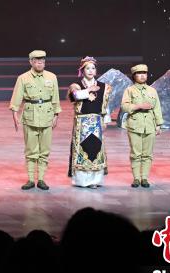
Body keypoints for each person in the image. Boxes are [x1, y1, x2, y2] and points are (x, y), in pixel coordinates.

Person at [9, 50, 60, 190]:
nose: (40, 63)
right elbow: (17, 97)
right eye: (37, 61)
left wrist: (56, 115)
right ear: (31, 62)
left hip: (47, 115)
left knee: (45, 150)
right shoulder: (23, 78)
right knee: (31, 150)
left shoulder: (52, 77)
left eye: (42, 61)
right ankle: (31, 179)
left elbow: (55, 97)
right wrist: (14, 114)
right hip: (30, 115)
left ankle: (41, 179)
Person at [67, 57, 111, 188]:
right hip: (82, 122)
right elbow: (75, 96)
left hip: (97, 122)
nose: (91, 71)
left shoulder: (103, 86)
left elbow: (106, 105)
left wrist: (106, 119)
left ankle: (95, 180)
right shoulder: (76, 85)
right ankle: (82, 181)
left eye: (93, 68)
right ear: (82, 70)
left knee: (95, 149)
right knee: (84, 149)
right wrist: (88, 90)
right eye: (87, 68)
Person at [120, 64, 163, 188]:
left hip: (150, 125)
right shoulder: (129, 90)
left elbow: (157, 108)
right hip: (135, 125)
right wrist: (138, 106)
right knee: (136, 153)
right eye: (139, 73)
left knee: (148, 154)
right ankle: (136, 178)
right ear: (134, 76)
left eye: (144, 73)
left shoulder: (152, 91)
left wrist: (159, 124)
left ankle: (144, 178)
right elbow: (124, 106)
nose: (143, 75)